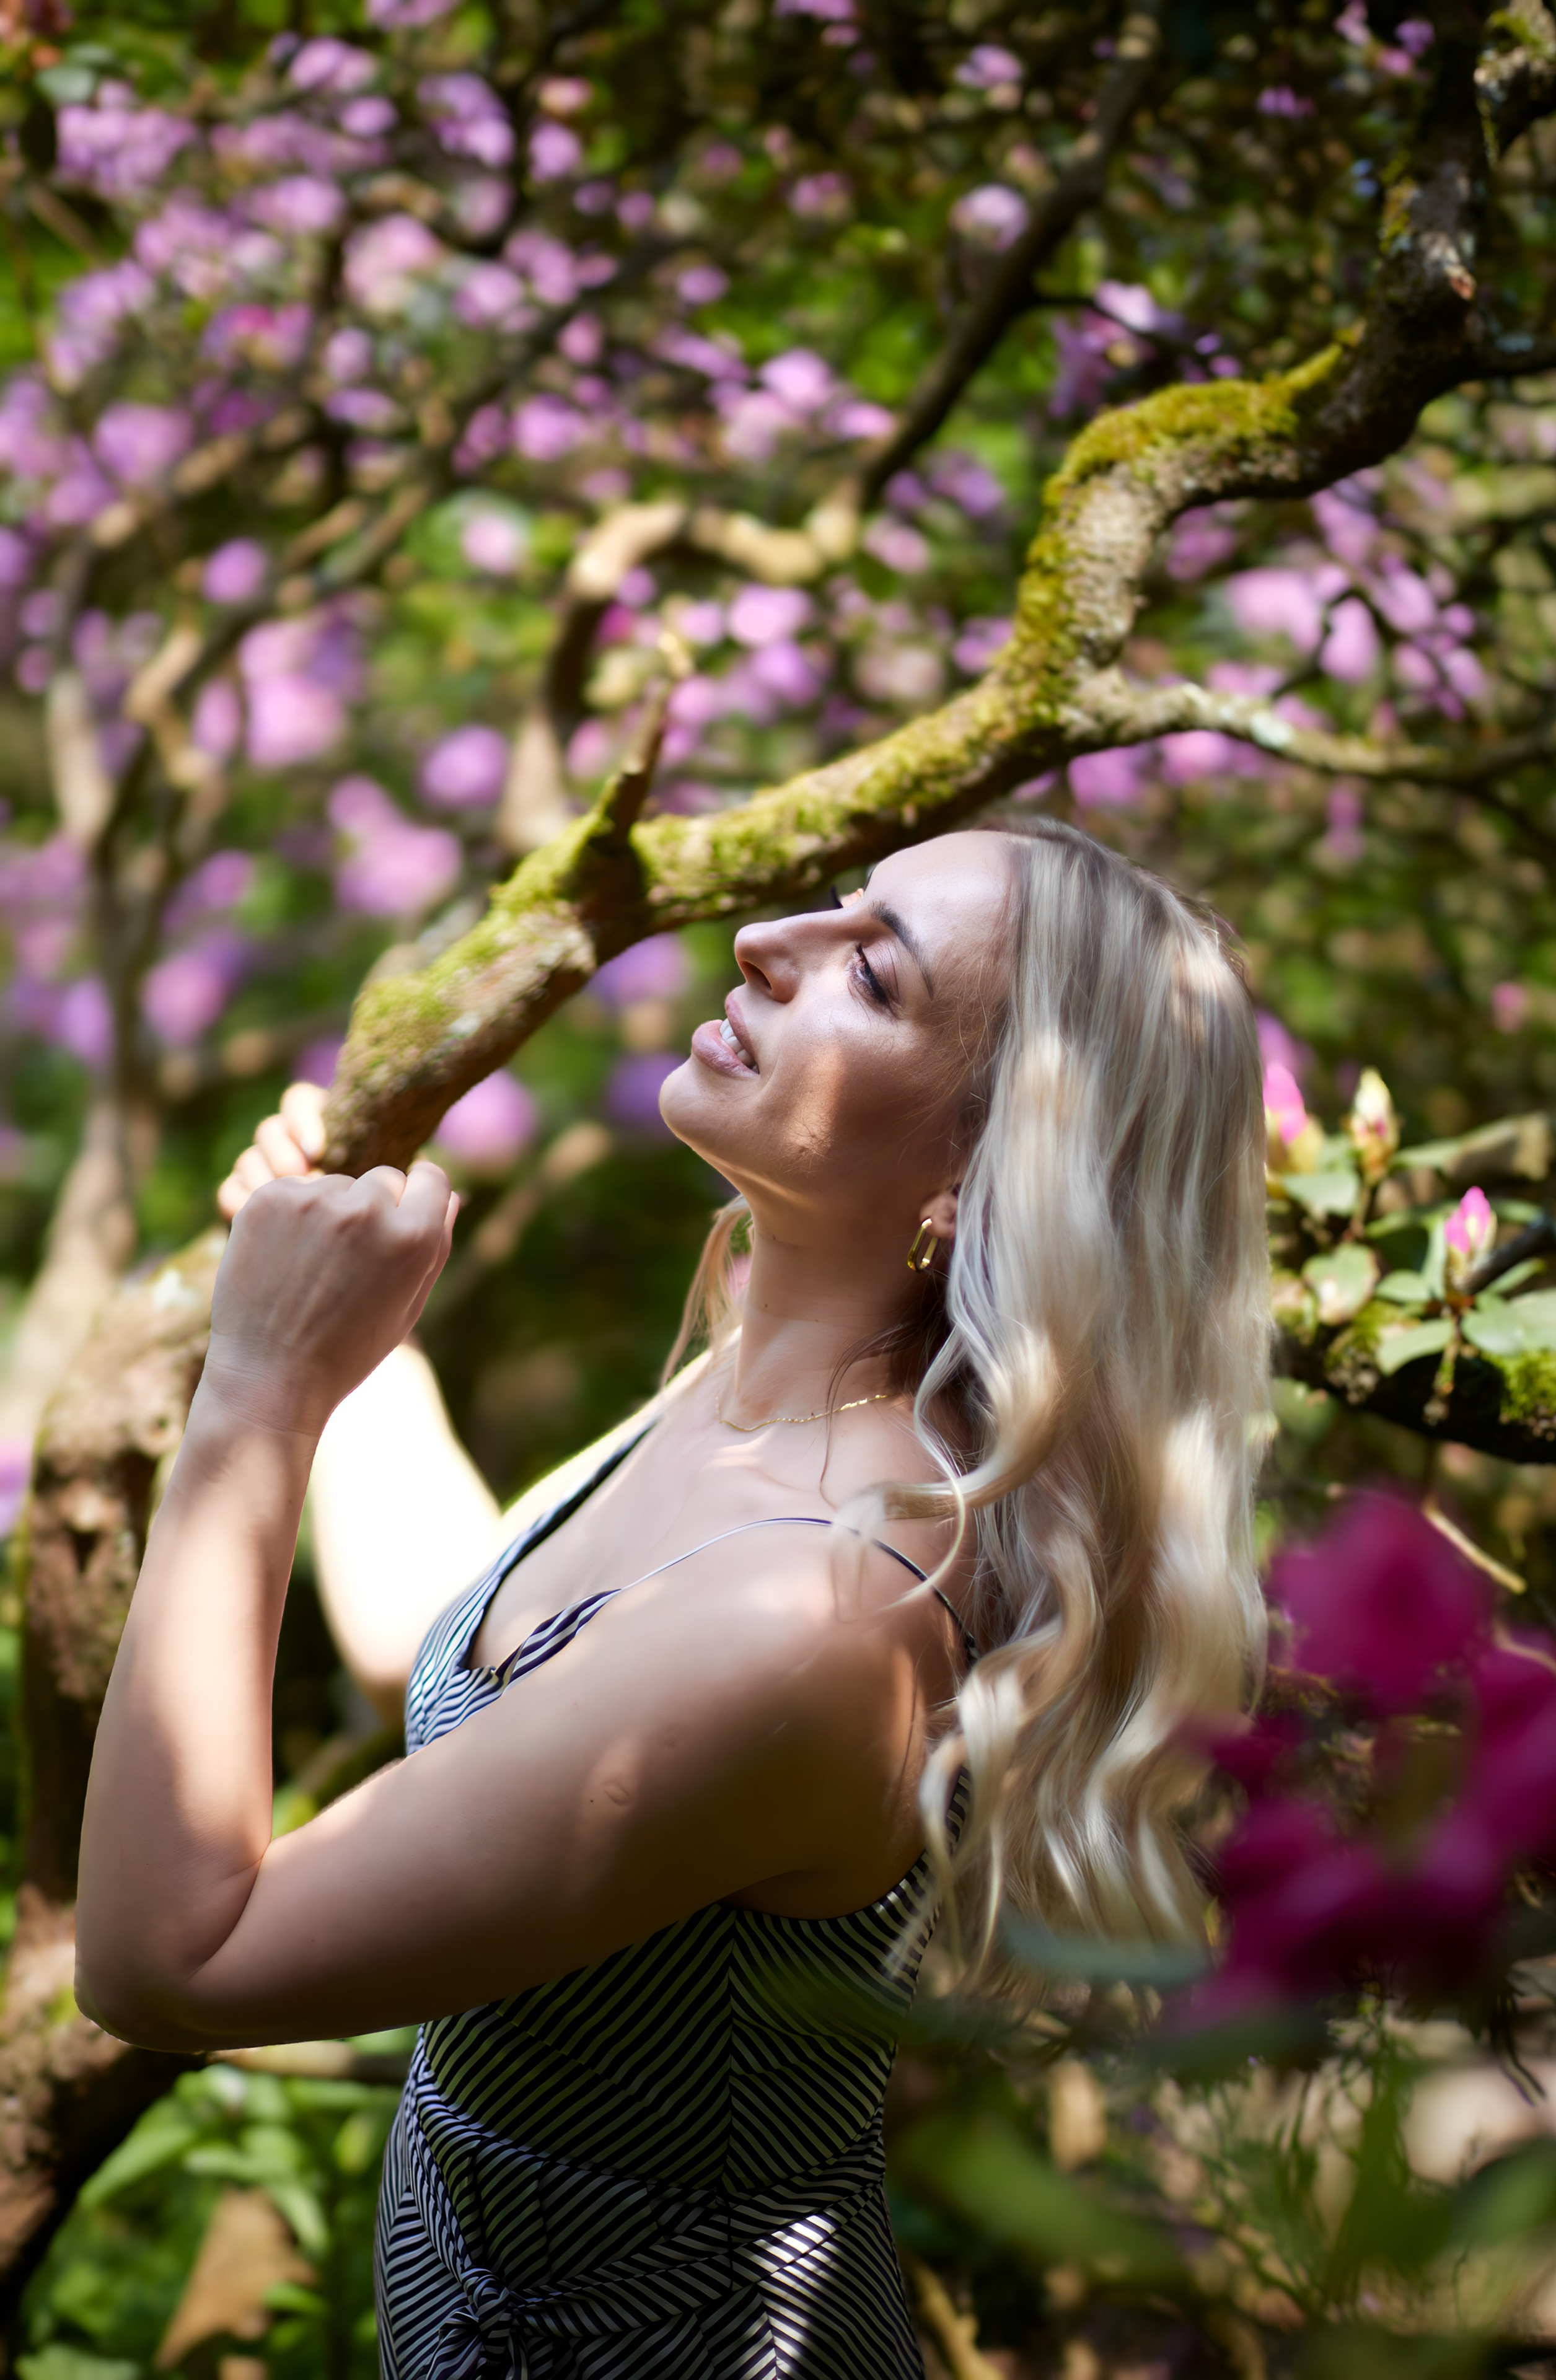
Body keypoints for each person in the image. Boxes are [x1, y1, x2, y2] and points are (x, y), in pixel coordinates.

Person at [74, 817, 1270, 2379]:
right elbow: (465, 1668)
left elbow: (167, 1963)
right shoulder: (773, 1395)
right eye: (834, 903)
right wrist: (352, 1351)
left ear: (981, 1167)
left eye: (873, 971)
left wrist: (256, 1393)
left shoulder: (819, 1615)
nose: (766, 940)